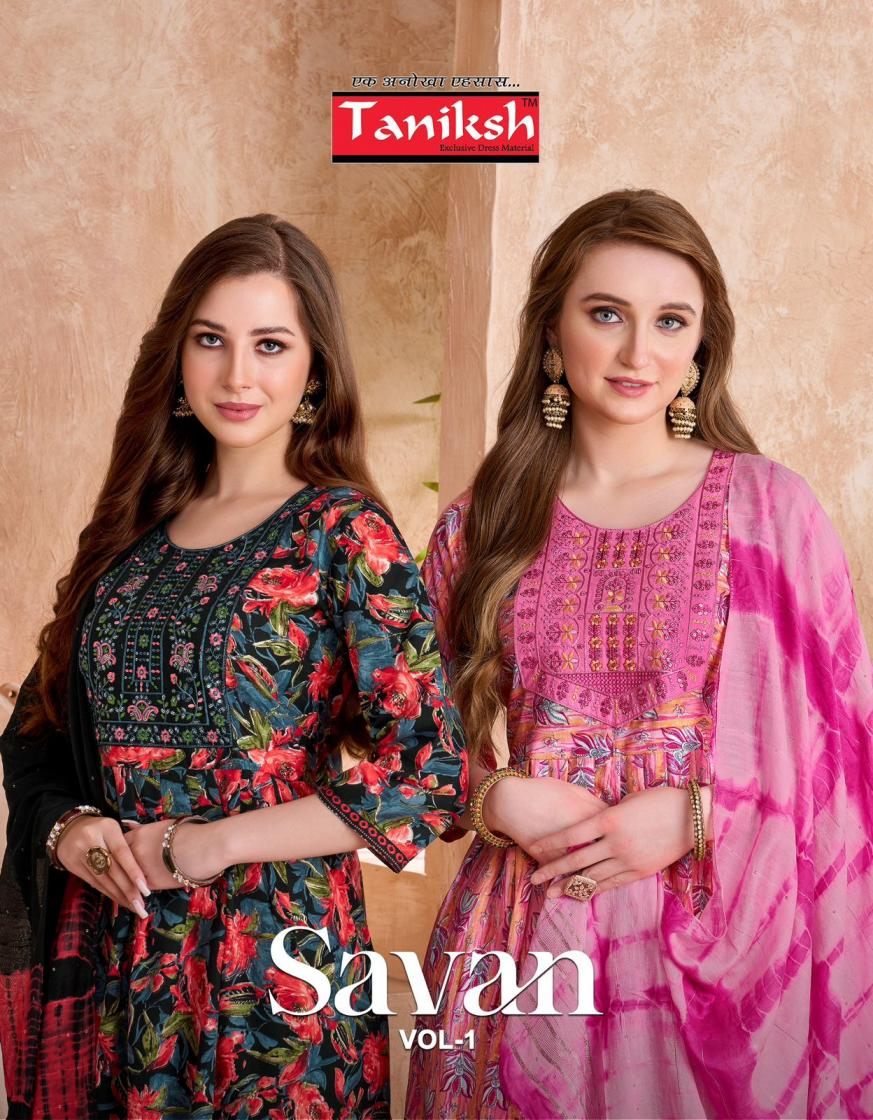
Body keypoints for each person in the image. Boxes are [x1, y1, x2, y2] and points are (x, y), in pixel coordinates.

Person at [405, 188, 873, 1119]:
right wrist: (496, 795)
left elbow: (842, 758)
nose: (637, 354)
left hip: (724, 944)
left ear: (701, 345)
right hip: (519, 935)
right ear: (552, 330)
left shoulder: (770, 511)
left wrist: (700, 814)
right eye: (605, 314)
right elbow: (404, 738)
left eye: (669, 322)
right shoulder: (481, 522)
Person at [0, 213, 466, 1119]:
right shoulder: (131, 535)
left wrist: (209, 844)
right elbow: (39, 729)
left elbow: (429, 774)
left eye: (270, 344)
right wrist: (69, 831)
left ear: (314, 369)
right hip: (120, 960)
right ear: (176, 357)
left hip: (274, 964)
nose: (237, 375)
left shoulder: (343, 532)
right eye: (210, 340)